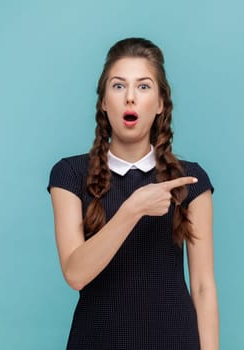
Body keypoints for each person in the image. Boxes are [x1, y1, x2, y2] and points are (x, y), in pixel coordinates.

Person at [46, 38, 219, 349]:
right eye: (118, 86)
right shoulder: (69, 175)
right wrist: (132, 210)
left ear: (161, 103)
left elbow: (204, 287)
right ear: (103, 101)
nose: (130, 98)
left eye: (143, 87)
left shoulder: (189, 180)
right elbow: (75, 274)